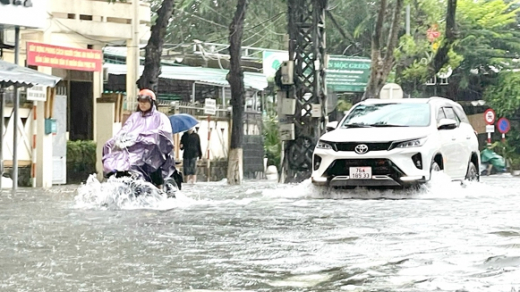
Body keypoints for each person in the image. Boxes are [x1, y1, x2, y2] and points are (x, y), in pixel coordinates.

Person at [102, 88, 177, 190]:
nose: (143, 104)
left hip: (153, 151)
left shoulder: (160, 117)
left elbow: (163, 133)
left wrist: (147, 137)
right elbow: (125, 129)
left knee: (154, 162)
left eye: (145, 102)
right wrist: (116, 140)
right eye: (141, 102)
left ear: (152, 102)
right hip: (134, 148)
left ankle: (159, 188)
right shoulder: (134, 117)